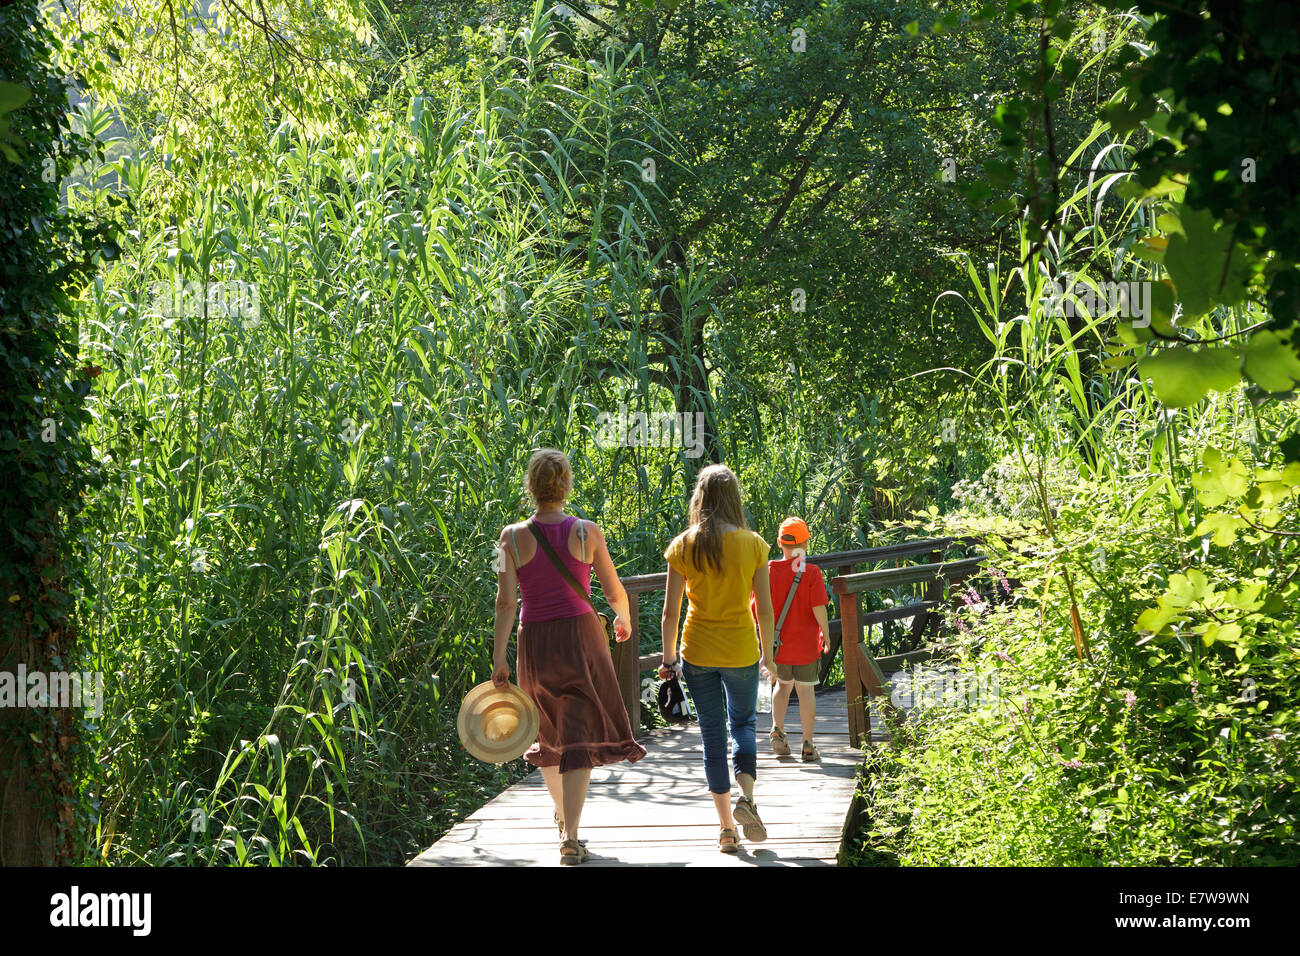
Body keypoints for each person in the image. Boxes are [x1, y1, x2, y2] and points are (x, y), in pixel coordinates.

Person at [492, 448, 647, 865]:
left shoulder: (510, 537)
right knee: (576, 734)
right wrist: (623, 619)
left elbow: (505, 603)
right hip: (581, 637)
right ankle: (572, 837)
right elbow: (613, 590)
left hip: (536, 642)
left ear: (532, 486)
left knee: (546, 731)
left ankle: (563, 819)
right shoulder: (586, 532)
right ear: (565, 485)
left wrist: (499, 657)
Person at [659, 464, 775, 854]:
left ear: (700, 498)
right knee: (743, 723)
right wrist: (770, 657)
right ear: (734, 498)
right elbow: (765, 610)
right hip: (742, 649)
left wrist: (669, 658)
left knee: (711, 734)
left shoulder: (683, 545)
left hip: (698, 651)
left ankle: (727, 829)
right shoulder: (754, 544)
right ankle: (749, 799)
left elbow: (670, 613)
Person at [759, 517, 830, 762]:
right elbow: (819, 607)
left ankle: (777, 730)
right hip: (806, 647)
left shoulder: (768, 571)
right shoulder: (811, 572)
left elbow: (757, 610)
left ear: (780, 542)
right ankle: (807, 743)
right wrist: (827, 635)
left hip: (777, 646)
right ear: (805, 544)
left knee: (782, 686)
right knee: (805, 690)